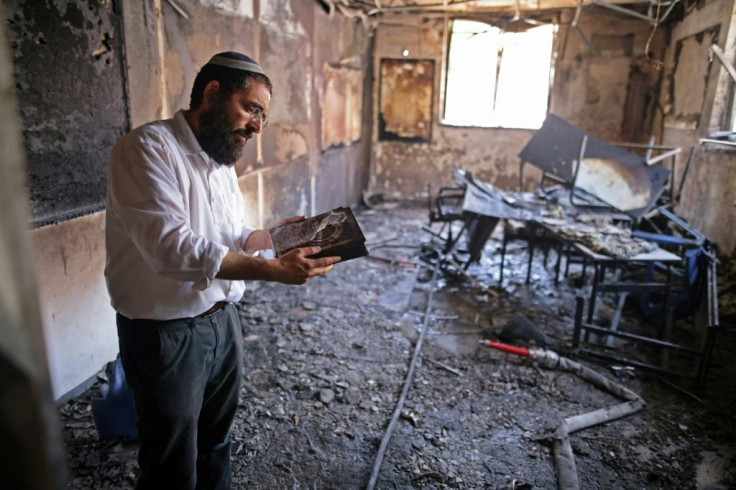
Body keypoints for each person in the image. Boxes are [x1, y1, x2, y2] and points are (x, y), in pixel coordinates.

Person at [104, 51, 340, 490]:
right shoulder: (148, 149)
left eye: (263, 118)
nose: (256, 127)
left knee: (215, 444)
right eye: (251, 109)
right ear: (212, 93)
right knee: (170, 464)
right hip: (165, 335)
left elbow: (229, 234)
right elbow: (172, 248)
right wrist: (271, 272)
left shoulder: (220, 161)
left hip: (222, 323)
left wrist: (270, 238)